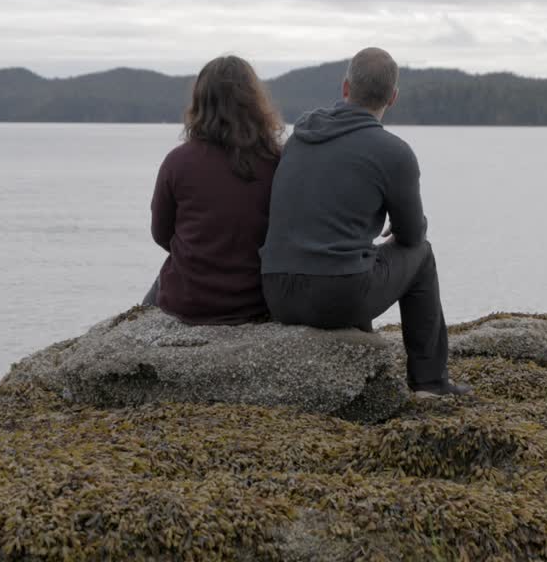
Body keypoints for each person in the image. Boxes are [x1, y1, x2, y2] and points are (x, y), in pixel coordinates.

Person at [259, 47, 470, 397]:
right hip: (336, 298)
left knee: (353, 256)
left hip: (276, 293)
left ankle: (362, 349)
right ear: (393, 97)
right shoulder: (392, 152)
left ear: (345, 88)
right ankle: (430, 382)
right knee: (422, 255)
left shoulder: (299, 137)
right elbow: (412, 235)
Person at [145, 55, 283, 324]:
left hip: (189, 303)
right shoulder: (277, 161)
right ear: (255, 103)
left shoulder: (178, 162)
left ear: (200, 103)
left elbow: (161, 234)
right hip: (254, 301)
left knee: (160, 285)